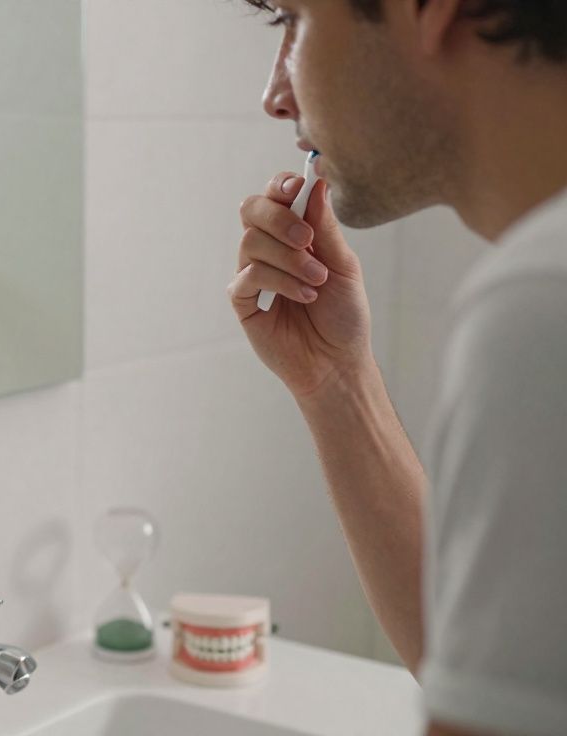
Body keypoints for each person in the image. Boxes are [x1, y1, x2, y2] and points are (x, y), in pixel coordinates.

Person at [228, 1, 567, 734]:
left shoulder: (544, 304)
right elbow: (498, 670)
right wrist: (336, 382)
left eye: (294, 20)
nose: (275, 94)